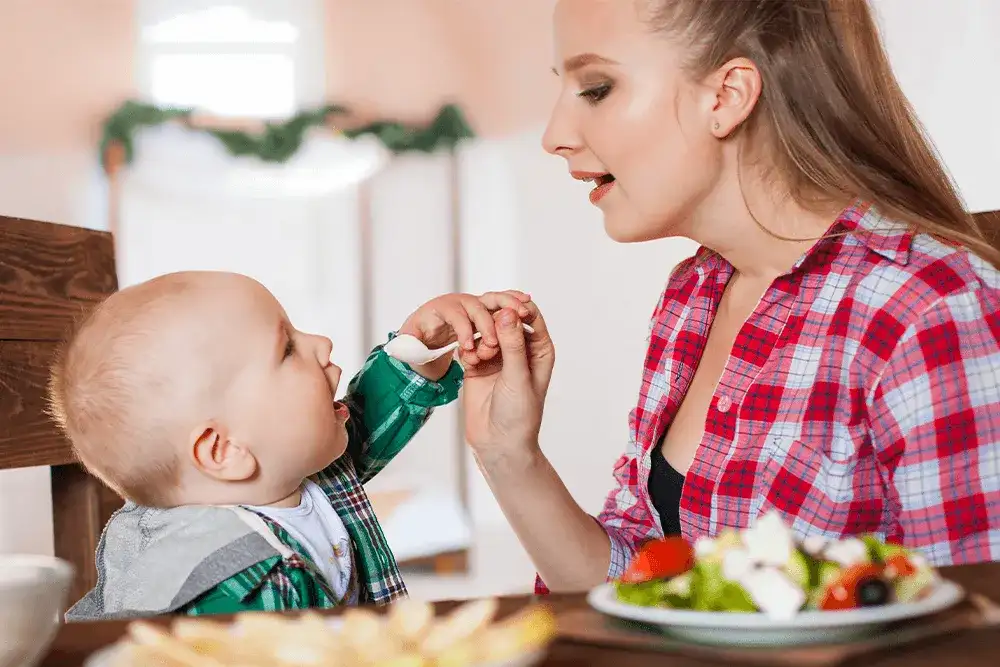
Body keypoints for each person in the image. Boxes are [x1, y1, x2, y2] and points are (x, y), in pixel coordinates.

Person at [458, 0, 1000, 594]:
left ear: (727, 96)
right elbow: (641, 586)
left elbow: (976, 621)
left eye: (596, 88)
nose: (554, 137)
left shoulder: (928, 309)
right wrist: (510, 454)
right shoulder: (695, 292)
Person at [48, 270, 532, 619]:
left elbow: (361, 425)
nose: (321, 342)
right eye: (286, 349)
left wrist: (417, 349)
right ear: (224, 450)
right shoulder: (230, 589)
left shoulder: (288, 474)